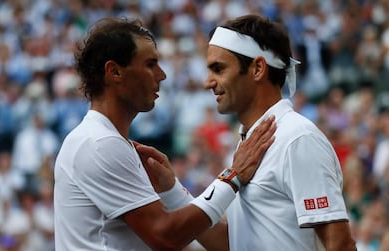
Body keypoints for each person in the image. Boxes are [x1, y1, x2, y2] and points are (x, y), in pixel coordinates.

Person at [53, 17, 276, 250]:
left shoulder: (104, 140)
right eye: (150, 64)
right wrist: (233, 177)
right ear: (115, 72)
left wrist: (172, 189)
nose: (162, 75)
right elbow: (165, 238)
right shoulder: (100, 143)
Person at [137, 14, 358, 250]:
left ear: (258, 69)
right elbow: (231, 243)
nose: (207, 82)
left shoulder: (297, 138)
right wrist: (173, 190)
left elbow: (340, 244)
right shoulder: (250, 142)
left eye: (218, 69)